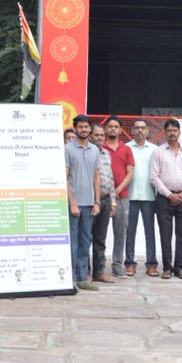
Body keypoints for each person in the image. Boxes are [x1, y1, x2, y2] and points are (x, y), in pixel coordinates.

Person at [149, 118, 182, 280]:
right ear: (165, 132)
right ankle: (167, 268)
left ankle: (180, 268)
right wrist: (169, 195)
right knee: (165, 234)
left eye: (174, 130)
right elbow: (154, 177)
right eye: (168, 130)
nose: (172, 133)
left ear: (179, 132)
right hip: (164, 199)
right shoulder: (158, 152)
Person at [65, 114, 101, 290]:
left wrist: (97, 202)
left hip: (89, 204)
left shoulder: (94, 150)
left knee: (85, 242)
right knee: (72, 242)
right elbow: (64, 178)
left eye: (87, 127)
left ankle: (82, 278)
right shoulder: (67, 148)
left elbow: (96, 177)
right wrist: (72, 203)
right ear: (75, 128)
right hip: (73, 204)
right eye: (81, 127)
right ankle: (70, 279)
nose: (84, 130)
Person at [101, 116, 135, 278]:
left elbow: (130, 174)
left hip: (122, 197)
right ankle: (98, 266)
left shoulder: (126, 149)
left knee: (120, 232)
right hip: (102, 197)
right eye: (110, 126)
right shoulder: (100, 147)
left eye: (116, 127)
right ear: (105, 129)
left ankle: (117, 265)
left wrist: (118, 189)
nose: (113, 129)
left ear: (121, 130)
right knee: (98, 233)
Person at [125, 118, 159, 276]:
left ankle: (151, 264)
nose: (140, 130)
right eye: (137, 128)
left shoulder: (154, 149)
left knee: (150, 231)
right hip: (129, 196)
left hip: (149, 196)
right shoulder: (125, 148)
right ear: (132, 131)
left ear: (147, 131)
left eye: (143, 128)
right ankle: (130, 263)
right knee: (129, 231)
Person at [89, 124, 118, 283]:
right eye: (97, 135)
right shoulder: (87, 154)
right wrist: (95, 201)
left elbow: (111, 180)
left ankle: (99, 272)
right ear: (90, 136)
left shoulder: (106, 154)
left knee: (100, 240)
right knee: (86, 239)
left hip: (107, 200)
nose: (100, 138)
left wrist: (113, 202)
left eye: (102, 135)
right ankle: (84, 272)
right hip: (91, 201)